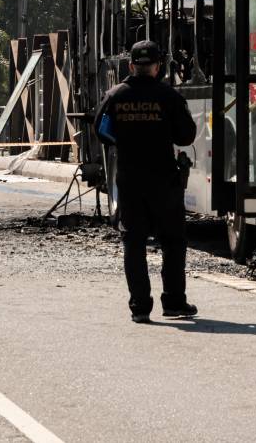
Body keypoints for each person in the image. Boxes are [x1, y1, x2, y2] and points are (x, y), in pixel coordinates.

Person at [94, 40, 198, 324]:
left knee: (134, 242)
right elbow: (185, 136)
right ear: (157, 67)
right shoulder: (168, 96)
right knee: (173, 242)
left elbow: (101, 132)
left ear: (131, 66)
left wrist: (127, 142)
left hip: (129, 179)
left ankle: (140, 306)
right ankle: (174, 302)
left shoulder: (114, 95)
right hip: (164, 179)